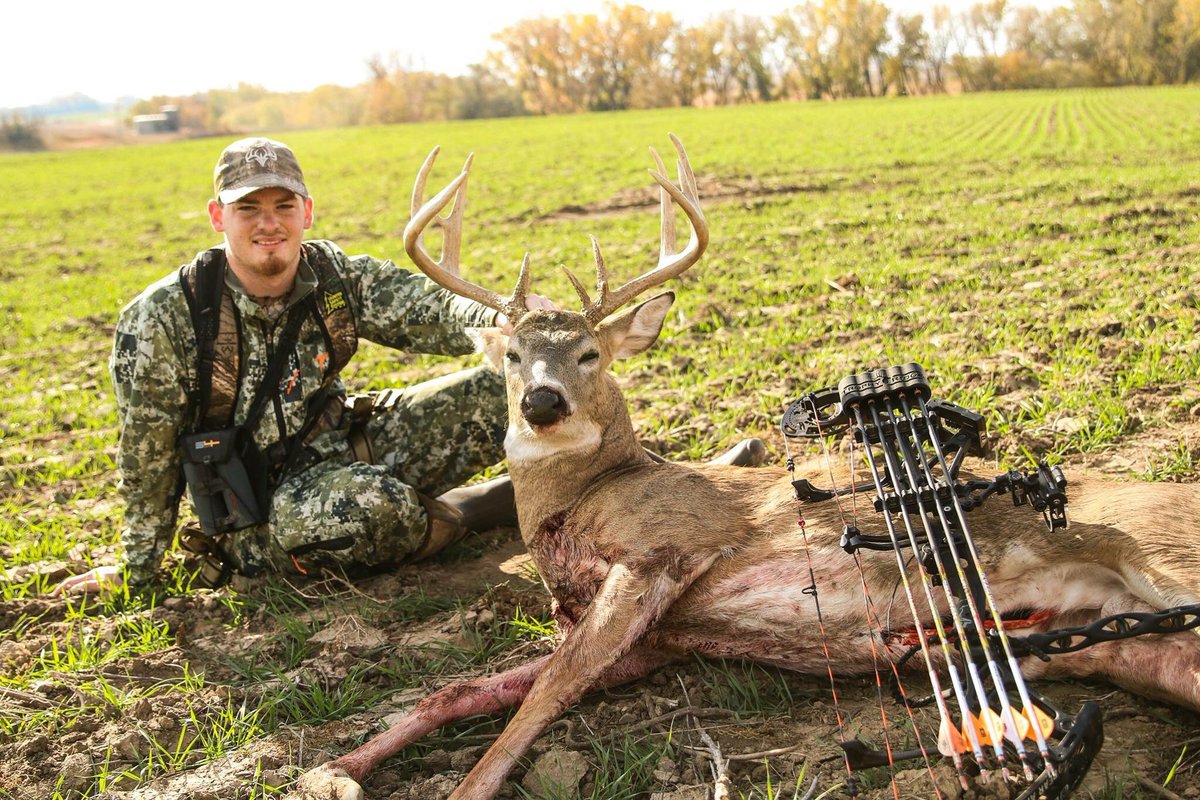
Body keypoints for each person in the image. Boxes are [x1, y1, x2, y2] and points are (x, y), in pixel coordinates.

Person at [53, 136, 764, 597]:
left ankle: (682, 486)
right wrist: (140, 572)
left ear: (305, 210)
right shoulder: (165, 318)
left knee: (518, 391)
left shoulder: (335, 277)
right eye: (249, 209)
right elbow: (144, 457)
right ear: (219, 217)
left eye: (281, 205)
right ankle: (473, 510)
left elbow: (437, 310)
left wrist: (513, 328)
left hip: (344, 440)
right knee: (373, 510)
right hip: (267, 505)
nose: (267, 222)